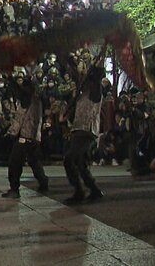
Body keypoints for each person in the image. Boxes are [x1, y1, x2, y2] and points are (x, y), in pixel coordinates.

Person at [63, 54, 105, 205]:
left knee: (70, 159)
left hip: (87, 131)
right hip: (78, 130)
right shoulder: (82, 95)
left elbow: (96, 78)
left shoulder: (95, 93)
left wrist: (93, 70)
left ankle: (79, 191)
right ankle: (93, 189)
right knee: (80, 163)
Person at [3, 73, 49, 199]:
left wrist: (10, 77)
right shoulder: (35, 99)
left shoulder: (30, 98)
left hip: (27, 136)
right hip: (33, 136)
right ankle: (44, 182)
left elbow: (19, 90)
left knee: (15, 162)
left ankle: (14, 189)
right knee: (34, 161)